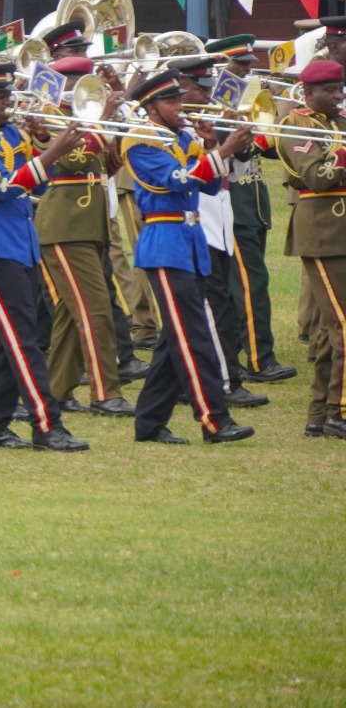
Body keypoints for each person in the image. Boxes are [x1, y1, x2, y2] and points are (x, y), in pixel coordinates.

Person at [0, 62, 89, 451]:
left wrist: (49, 147)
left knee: (15, 336)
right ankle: (46, 424)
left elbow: (33, 178)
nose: (9, 102)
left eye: (9, 94)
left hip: (19, 238)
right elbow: (2, 186)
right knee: (22, 337)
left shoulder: (11, 132)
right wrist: (49, 155)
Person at [123, 72, 255, 445]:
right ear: (151, 107)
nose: (182, 107)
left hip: (190, 241)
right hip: (165, 241)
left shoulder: (182, 137)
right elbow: (177, 180)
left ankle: (148, 423)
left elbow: (209, 185)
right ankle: (214, 420)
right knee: (193, 335)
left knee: (174, 338)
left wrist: (213, 144)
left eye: (181, 100)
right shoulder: (140, 140)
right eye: (173, 102)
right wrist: (221, 151)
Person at [35, 56, 136, 417]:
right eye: (77, 81)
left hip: (88, 223)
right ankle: (104, 393)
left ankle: (57, 391)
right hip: (65, 225)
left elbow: (106, 164)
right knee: (96, 312)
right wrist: (105, 118)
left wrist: (122, 129)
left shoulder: (87, 118)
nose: (87, 89)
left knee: (69, 314)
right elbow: (75, 159)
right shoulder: (48, 116)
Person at [207, 35, 295, 383]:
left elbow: (272, 151)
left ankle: (244, 352)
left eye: (247, 63)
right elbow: (239, 153)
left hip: (254, 205)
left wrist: (271, 115)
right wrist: (250, 124)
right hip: (235, 209)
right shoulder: (215, 109)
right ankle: (260, 359)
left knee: (244, 284)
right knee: (249, 284)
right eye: (238, 64)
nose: (247, 68)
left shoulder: (247, 101)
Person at [276, 60, 346, 440]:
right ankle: (340, 412)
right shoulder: (294, 126)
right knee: (343, 326)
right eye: (331, 91)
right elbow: (318, 178)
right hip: (321, 232)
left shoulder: (338, 123)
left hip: (342, 231)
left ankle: (319, 414)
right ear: (308, 94)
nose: (339, 96)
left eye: (340, 89)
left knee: (325, 332)